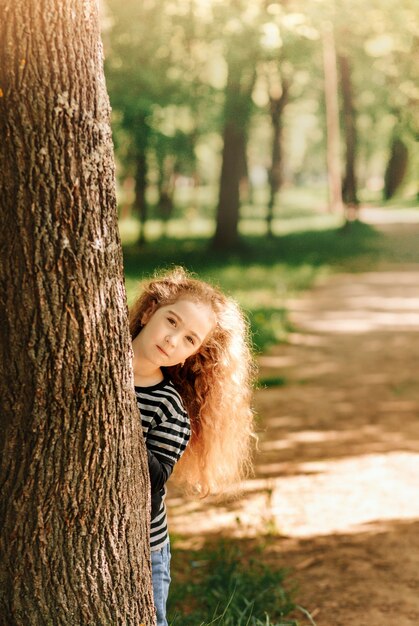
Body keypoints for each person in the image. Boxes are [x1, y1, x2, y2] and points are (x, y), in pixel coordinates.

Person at [129, 267, 255, 626]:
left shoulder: (170, 410)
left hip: (142, 546)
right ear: (150, 310)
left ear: (191, 355)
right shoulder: (92, 359)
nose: (172, 340)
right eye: (172, 321)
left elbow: (151, 482)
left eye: (188, 340)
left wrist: (121, 415)